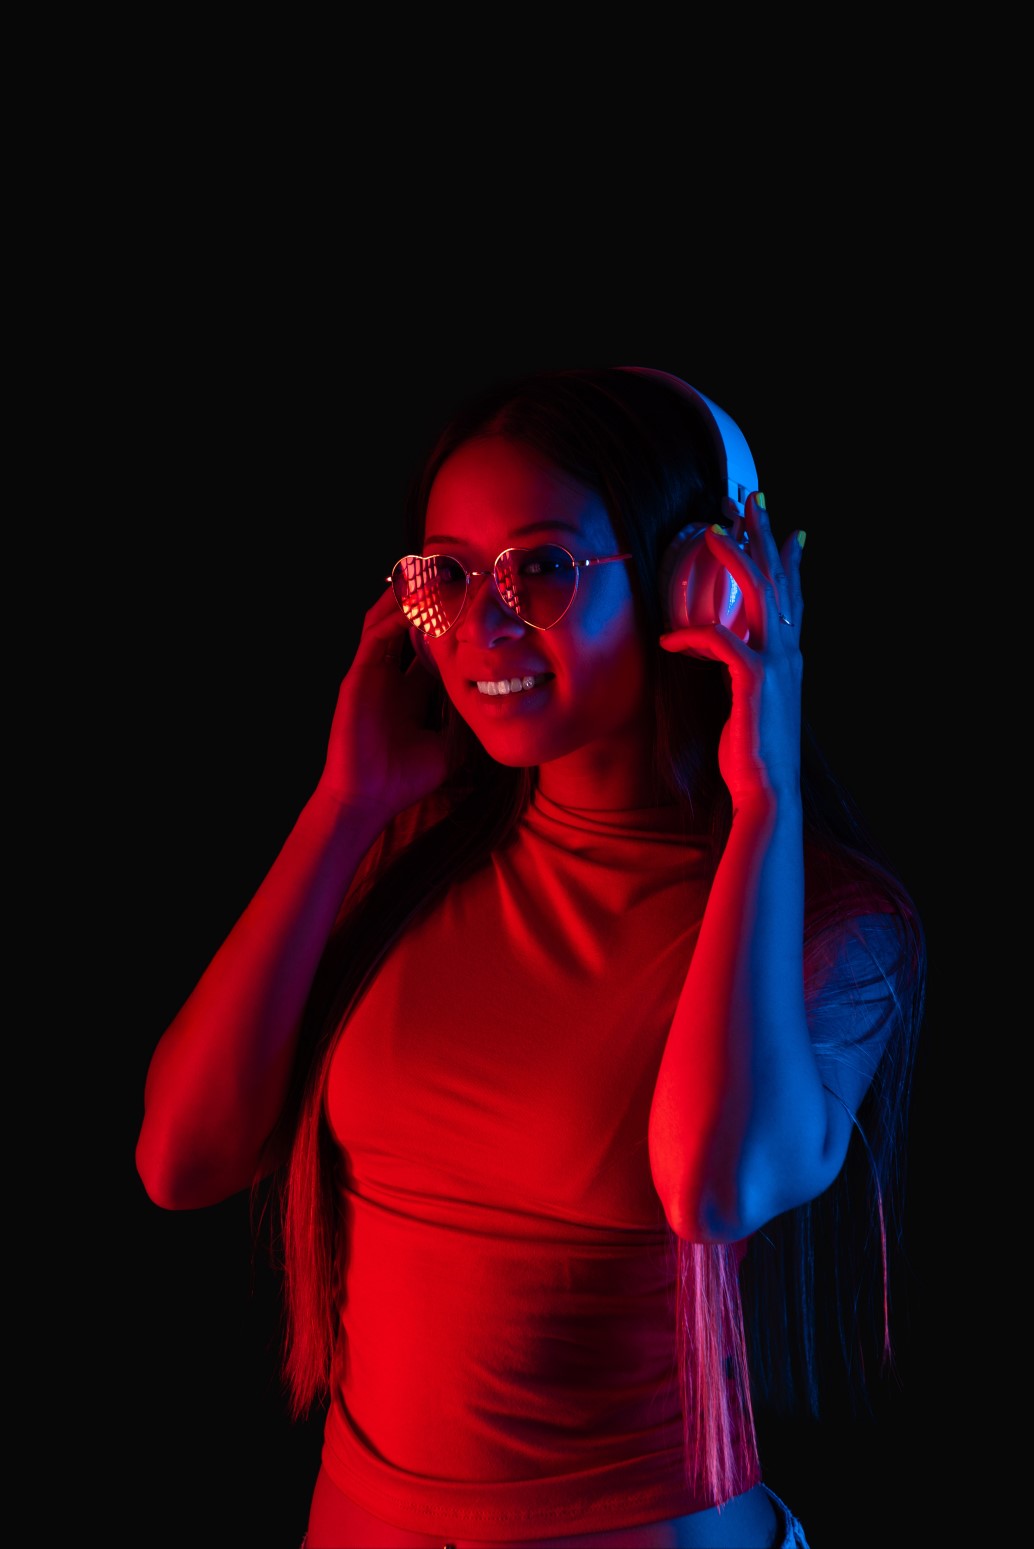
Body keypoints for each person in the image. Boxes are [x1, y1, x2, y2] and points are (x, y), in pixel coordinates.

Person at [136, 365, 925, 1548]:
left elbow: (715, 1185)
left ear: (696, 578)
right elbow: (178, 1157)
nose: (479, 625)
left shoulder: (835, 926)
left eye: (543, 568)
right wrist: (343, 805)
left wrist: (760, 795)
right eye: (446, 576)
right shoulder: (400, 853)